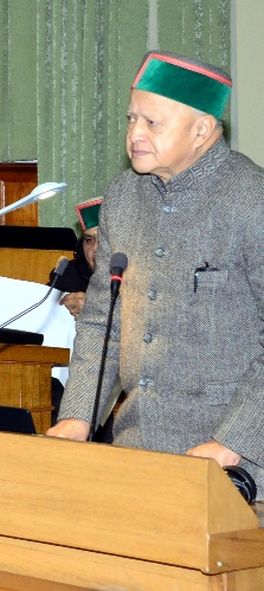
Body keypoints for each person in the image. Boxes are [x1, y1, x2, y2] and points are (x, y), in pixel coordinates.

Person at [47, 51, 264, 503]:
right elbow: (102, 321)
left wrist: (234, 442)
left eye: (152, 122)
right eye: (131, 119)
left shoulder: (252, 199)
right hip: (138, 454)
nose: (134, 135)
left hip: (236, 467)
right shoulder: (123, 196)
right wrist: (78, 415)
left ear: (202, 129)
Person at [52, 197, 102, 317]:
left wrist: (95, 311)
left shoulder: (144, 279)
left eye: (104, 239)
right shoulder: (70, 275)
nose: (95, 248)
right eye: (89, 240)